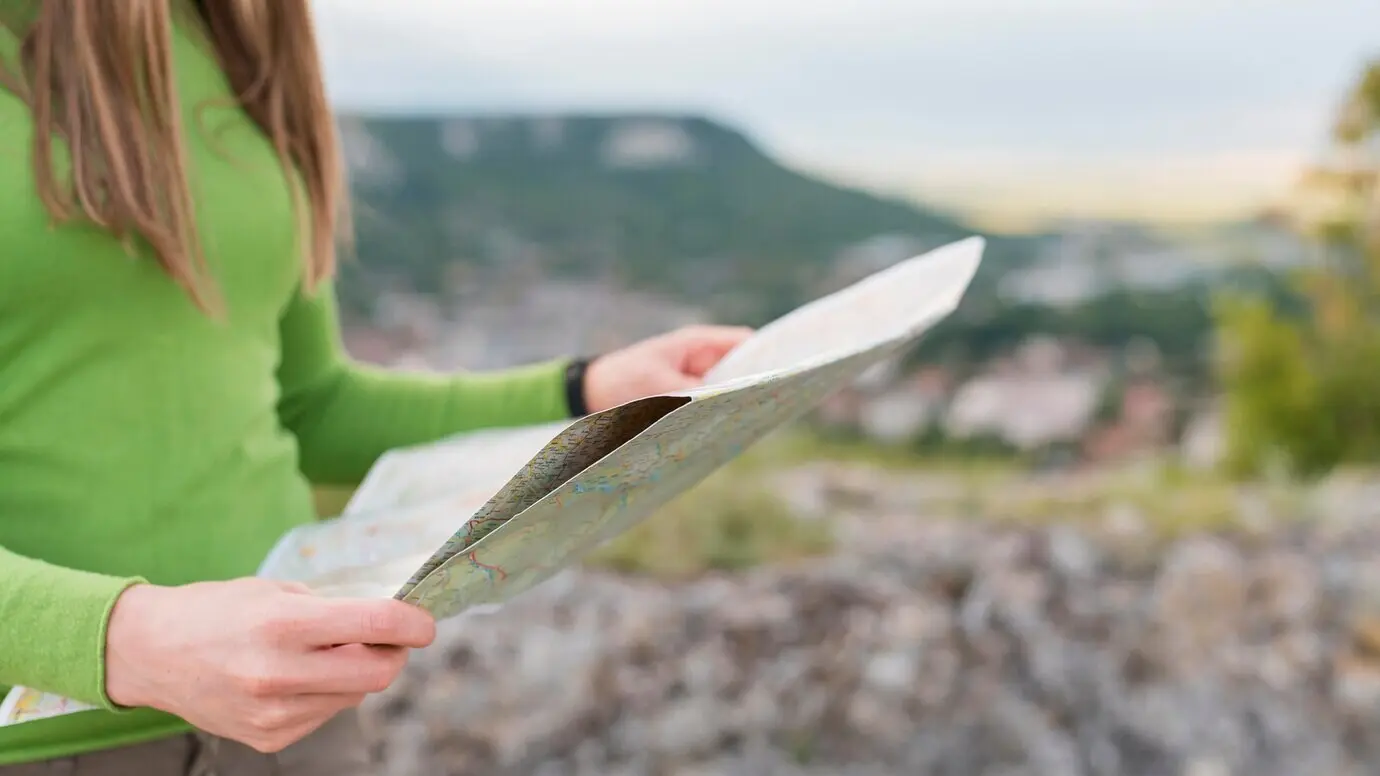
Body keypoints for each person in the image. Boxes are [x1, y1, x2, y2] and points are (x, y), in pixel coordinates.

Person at [0, 1, 751, 773]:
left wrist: (583, 392)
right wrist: (120, 638)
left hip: (294, 733)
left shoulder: (233, 38)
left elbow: (309, 406)